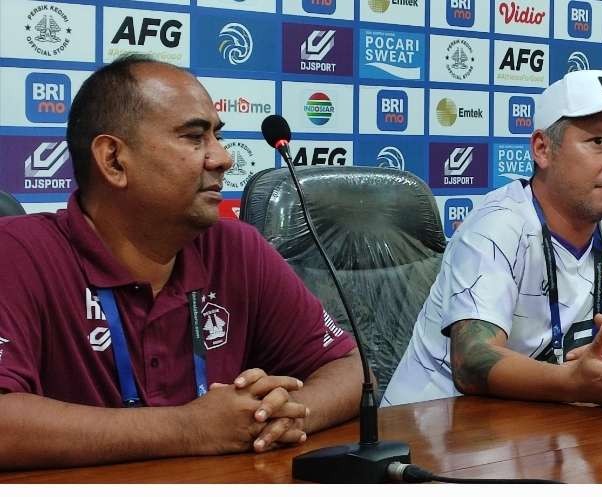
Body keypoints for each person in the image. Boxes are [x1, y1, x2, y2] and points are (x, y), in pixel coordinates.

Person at [0, 55, 362, 470]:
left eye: (216, 136)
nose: (223, 158)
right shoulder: (17, 253)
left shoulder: (237, 246)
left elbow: (350, 369)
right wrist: (190, 428)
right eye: (194, 138)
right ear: (114, 161)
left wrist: (280, 414)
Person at [382, 70, 602, 408]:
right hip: (435, 424)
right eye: (600, 143)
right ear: (543, 149)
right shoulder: (497, 225)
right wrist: (574, 383)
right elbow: (471, 361)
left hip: (545, 418)